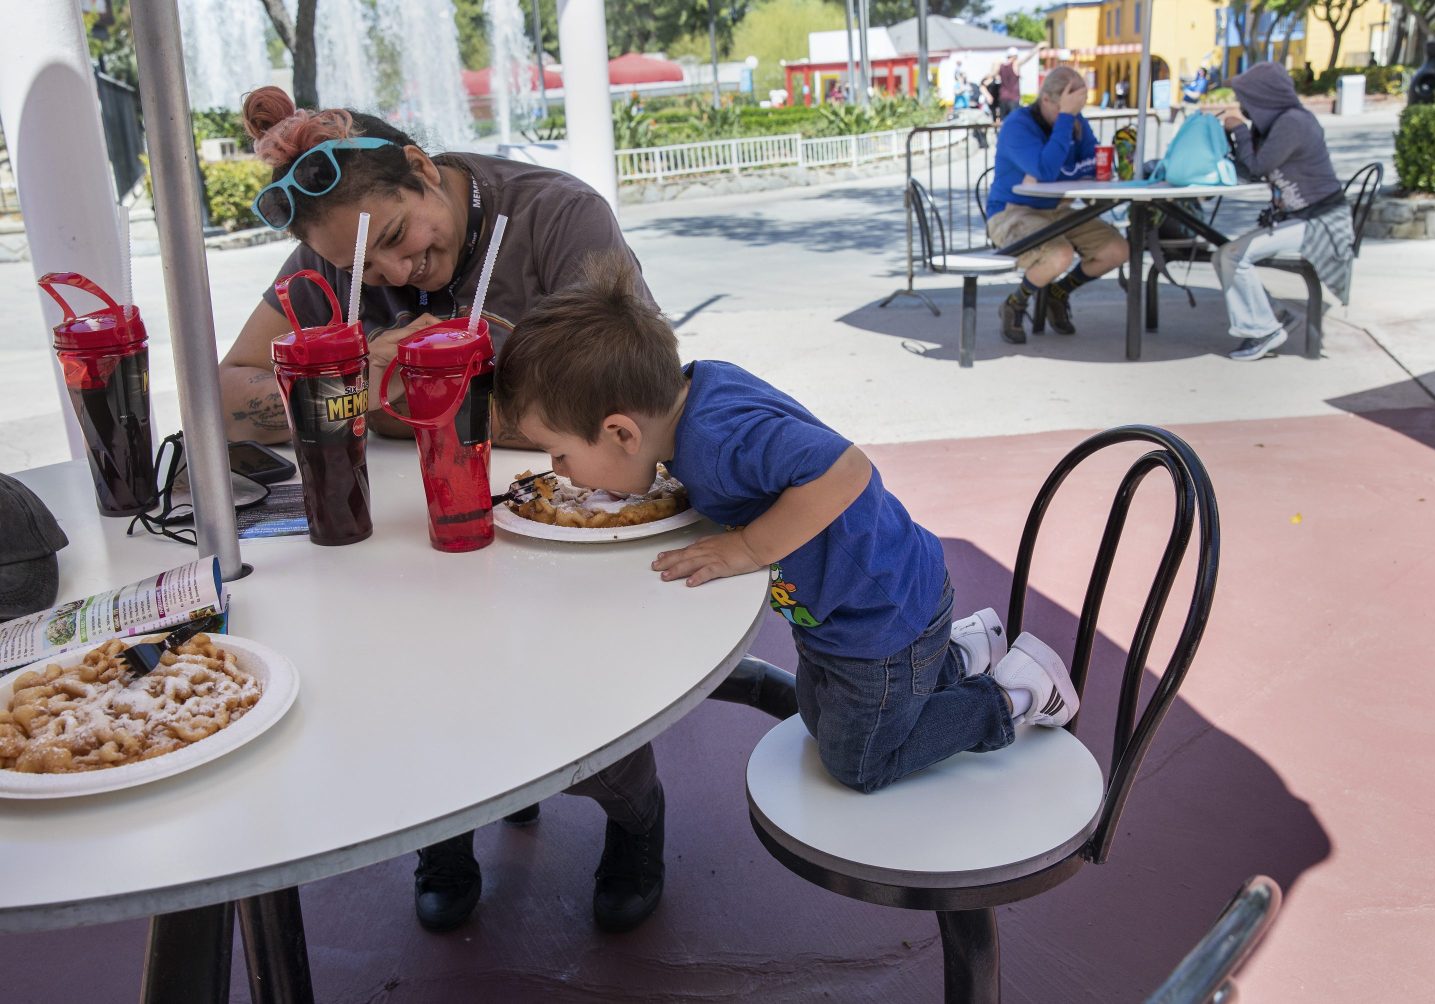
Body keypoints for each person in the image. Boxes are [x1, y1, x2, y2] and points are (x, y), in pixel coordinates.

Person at [225, 86, 669, 936]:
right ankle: (446, 826)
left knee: (582, 682)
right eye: (365, 269)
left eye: (397, 238)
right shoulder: (332, 250)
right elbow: (226, 389)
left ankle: (634, 816)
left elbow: (630, 395)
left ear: (424, 170)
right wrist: (351, 378)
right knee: (406, 675)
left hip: (556, 518)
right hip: (407, 528)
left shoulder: (555, 218)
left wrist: (428, 392)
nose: (392, 274)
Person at [495, 253, 1080, 795]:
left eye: (559, 453)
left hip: (879, 614)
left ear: (622, 433)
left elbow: (846, 470)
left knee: (856, 761)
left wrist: (748, 547)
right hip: (836, 612)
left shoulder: (721, 439)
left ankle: (1015, 691)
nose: (558, 470)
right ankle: (961, 652)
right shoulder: (691, 394)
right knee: (817, 718)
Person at [1218, 62, 1354, 361]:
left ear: (1263, 97)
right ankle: (1268, 314)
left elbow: (1257, 167)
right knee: (1222, 254)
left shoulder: (1292, 123)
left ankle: (1264, 330)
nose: (1242, 105)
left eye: (1246, 99)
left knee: (1232, 255)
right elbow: (1251, 168)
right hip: (1303, 217)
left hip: (1322, 222)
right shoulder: (1278, 124)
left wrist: (1239, 129)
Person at [985, 66, 1129, 344]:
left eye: (1078, 108)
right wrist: (1065, 122)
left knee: (1117, 249)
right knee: (1059, 254)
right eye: (1069, 107)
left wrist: (1062, 167)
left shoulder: (1074, 121)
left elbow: (1096, 165)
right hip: (1012, 212)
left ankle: (1057, 294)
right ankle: (1015, 304)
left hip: (1059, 209)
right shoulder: (1018, 125)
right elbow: (1047, 169)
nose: (1076, 115)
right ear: (1047, 100)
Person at [996, 46, 1026, 119]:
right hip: (1013, 98)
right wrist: (1036, 49)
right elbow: (1025, 60)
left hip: (1003, 98)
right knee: (1014, 121)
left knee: (1004, 122)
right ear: (1015, 57)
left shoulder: (1001, 66)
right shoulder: (1014, 65)